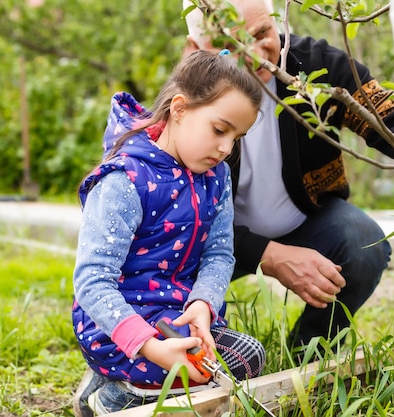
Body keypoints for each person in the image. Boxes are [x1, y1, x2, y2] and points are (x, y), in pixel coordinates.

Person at [182, 0, 394, 350]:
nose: (259, 53)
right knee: (169, 270)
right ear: (196, 50)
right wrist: (267, 254)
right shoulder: (185, 105)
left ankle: (310, 352)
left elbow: (388, 120)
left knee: (361, 242)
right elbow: (176, 218)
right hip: (208, 241)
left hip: (305, 222)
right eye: (236, 45)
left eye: (263, 33)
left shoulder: (314, 68)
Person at [71, 49, 266, 417]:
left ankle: (127, 389)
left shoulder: (216, 176)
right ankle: (112, 398)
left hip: (177, 317)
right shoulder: (124, 181)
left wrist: (202, 305)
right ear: (179, 108)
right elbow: (93, 281)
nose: (226, 148)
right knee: (196, 376)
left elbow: (219, 254)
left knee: (247, 358)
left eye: (236, 137)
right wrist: (149, 345)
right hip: (116, 325)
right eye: (219, 129)